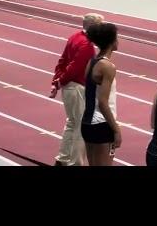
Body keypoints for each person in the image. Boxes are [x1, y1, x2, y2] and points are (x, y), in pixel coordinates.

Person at [50, 13, 104, 166]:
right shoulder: (86, 45)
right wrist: (60, 81)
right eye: (101, 25)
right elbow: (74, 68)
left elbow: (62, 60)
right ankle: (76, 162)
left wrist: (56, 81)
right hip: (77, 87)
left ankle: (62, 158)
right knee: (81, 126)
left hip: (68, 87)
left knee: (72, 123)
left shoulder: (74, 37)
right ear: (93, 26)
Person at [81, 23, 121, 166]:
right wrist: (116, 129)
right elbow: (103, 102)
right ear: (112, 42)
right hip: (102, 124)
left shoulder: (91, 62)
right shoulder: (107, 66)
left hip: (87, 122)